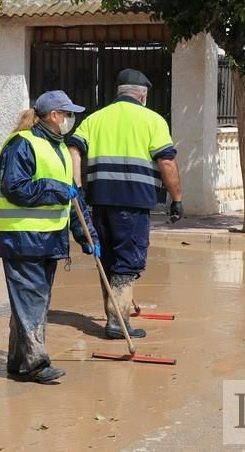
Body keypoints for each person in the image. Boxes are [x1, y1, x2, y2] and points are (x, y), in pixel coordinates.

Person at [66, 68, 183, 340]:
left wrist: (77, 186)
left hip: (99, 202)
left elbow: (73, 149)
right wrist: (176, 199)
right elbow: (166, 161)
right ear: (142, 95)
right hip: (133, 204)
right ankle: (118, 323)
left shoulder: (95, 119)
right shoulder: (152, 120)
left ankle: (115, 313)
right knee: (128, 261)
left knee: (107, 258)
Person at [0, 90, 100, 384]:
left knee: (30, 302)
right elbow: (15, 188)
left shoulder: (59, 148)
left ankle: (19, 361)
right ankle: (37, 364)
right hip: (22, 239)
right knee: (32, 301)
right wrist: (55, 188)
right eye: (68, 114)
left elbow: (73, 202)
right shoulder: (22, 144)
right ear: (54, 116)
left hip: (48, 240)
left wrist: (87, 236)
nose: (70, 120)